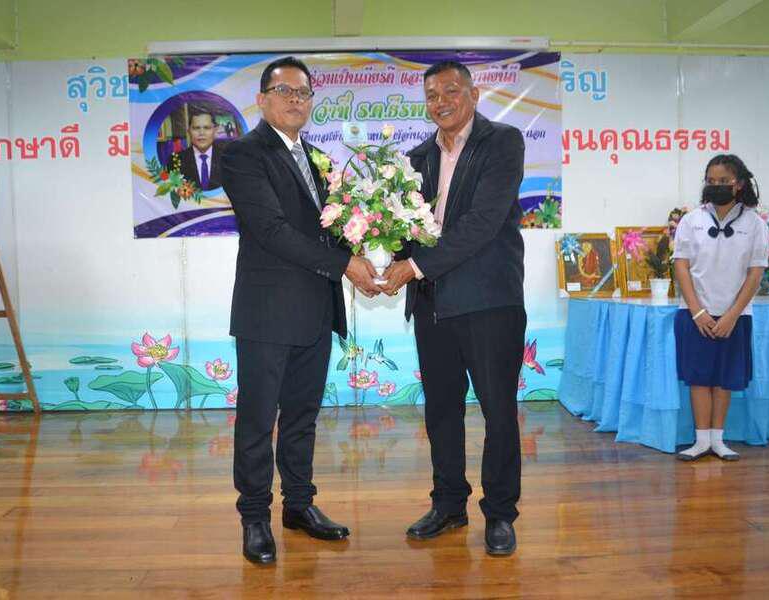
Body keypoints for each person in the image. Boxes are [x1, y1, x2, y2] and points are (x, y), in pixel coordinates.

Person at [220, 56, 380, 564]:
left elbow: (329, 230)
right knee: (257, 419)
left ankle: (298, 505)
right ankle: (254, 517)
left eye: (303, 92)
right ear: (262, 100)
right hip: (267, 313)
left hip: (314, 309)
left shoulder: (317, 159)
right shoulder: (241, 154)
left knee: (302, 416)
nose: (295, 99)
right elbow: (271, 230)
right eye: (284, 91)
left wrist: (370, 251)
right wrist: (345, 264)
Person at [379, 61, 527, 556]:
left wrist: (413, 267)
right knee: (441, 411)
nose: (440, 101)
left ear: (473, 93)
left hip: (489, 302)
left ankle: (500, 514)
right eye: (431, 95)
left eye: (450, 91)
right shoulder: (416, 158)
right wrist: (386, 255)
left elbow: (482, 223)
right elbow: (406, 229)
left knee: (498, 412)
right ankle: (448, 505)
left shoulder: (502, 143)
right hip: (433, 305)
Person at [672, 154, 769, 462]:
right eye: (711, 181)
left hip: (735, 315)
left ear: (738, 184)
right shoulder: (691, 220)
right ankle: (701, 441)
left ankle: (718, 440)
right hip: (695, 314)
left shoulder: (755, 224)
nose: (716, 186)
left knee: (725, 378)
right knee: (699, 378)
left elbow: (755, 273)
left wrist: (731, 315)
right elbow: (681, 266)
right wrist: (698, 311)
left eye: (723, 181)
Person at [166, 109, 225, 190]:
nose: (201, 133)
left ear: (215, 130)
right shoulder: (175, 160)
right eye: (196, 128)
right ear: (189, 131)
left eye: (207, 128)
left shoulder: (228, 158)